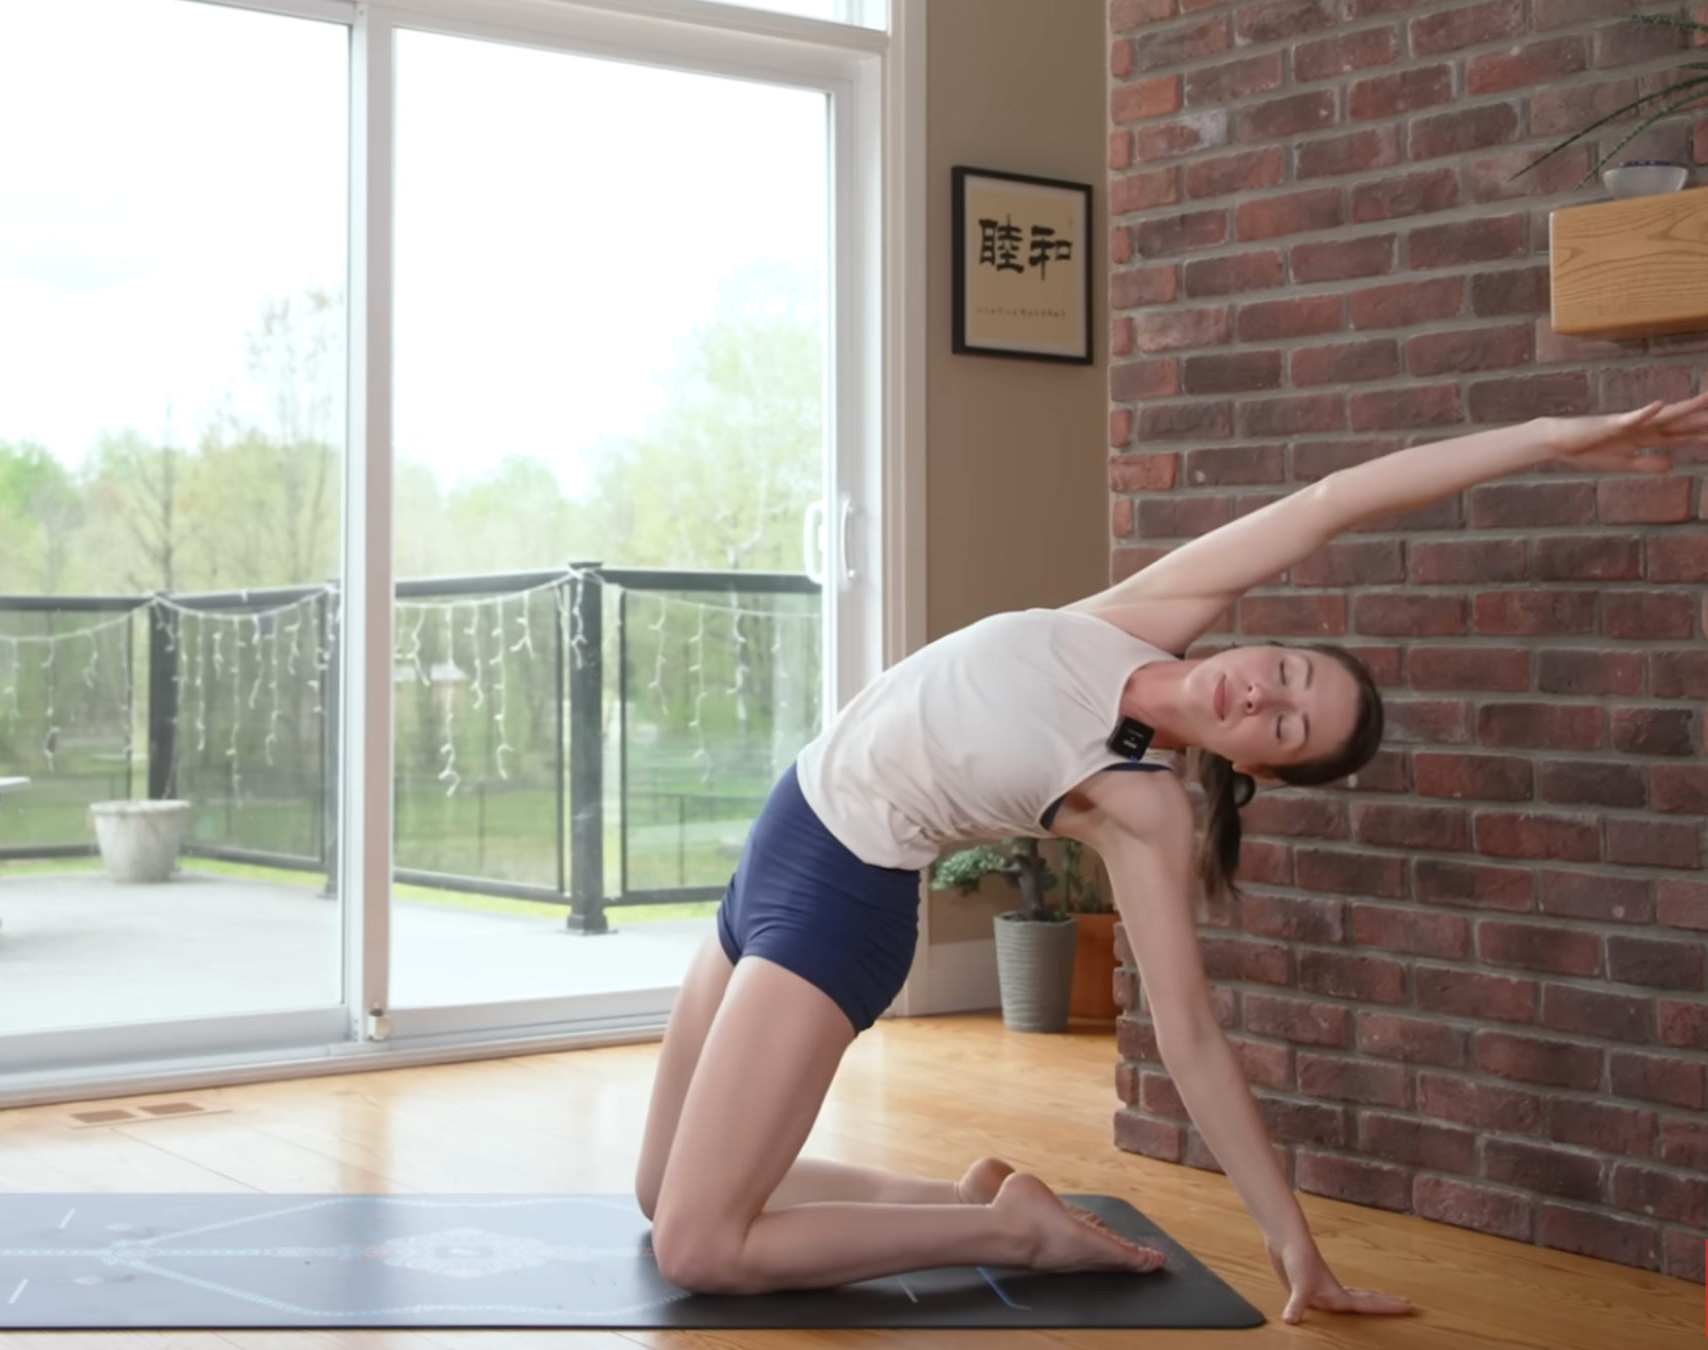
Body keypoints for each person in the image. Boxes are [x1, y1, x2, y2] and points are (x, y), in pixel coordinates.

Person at [635, 395, 1708, 1323]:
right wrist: (1555, 437)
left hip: (838, 901)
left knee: (700, 1249)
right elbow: (1338, 499)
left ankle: (1012, 1240)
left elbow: (1191, 1039)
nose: (1265, 696)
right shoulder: (1139, 622)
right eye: (1286, 672)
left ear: (1262, 771)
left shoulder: (1142, 809)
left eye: (1286, 728)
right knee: (656, 1189)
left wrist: (1295, 1247)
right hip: (781, 834)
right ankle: (972, 1203)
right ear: (1262, 646)